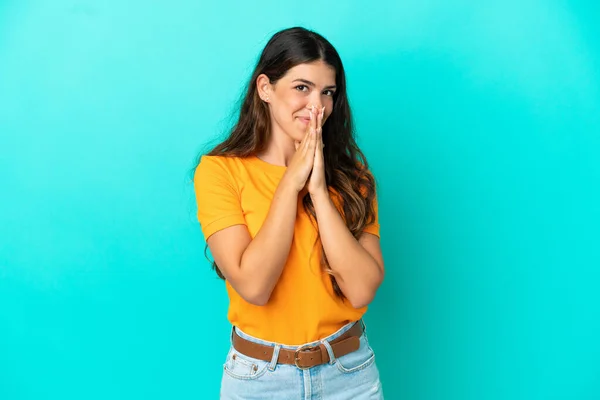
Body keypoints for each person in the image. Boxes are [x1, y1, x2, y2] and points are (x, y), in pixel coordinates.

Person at [193, 26, 385, 399]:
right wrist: (290, 184)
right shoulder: (220, 172)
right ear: (265, 88)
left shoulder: (353, 179)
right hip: (260, 379)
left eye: (327, 92)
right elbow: (255, 286)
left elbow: (361, 289)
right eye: (302, 87)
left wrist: (317, 189)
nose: (317, 105)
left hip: (350, 375)